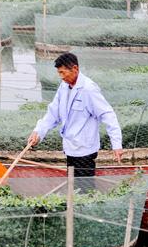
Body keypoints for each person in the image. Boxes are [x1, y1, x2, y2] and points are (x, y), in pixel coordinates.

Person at [28, 52, 124, 184]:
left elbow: (107, 115)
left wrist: (117, 145)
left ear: (75, 69)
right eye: (59, 73)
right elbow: (53, 113)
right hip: (70, 148)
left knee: (84, 188)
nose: (61, 77)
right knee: (73, 186)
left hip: (85, 150)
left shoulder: (88, 89)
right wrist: (38, 132)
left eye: (63, 72)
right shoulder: (64, 87)